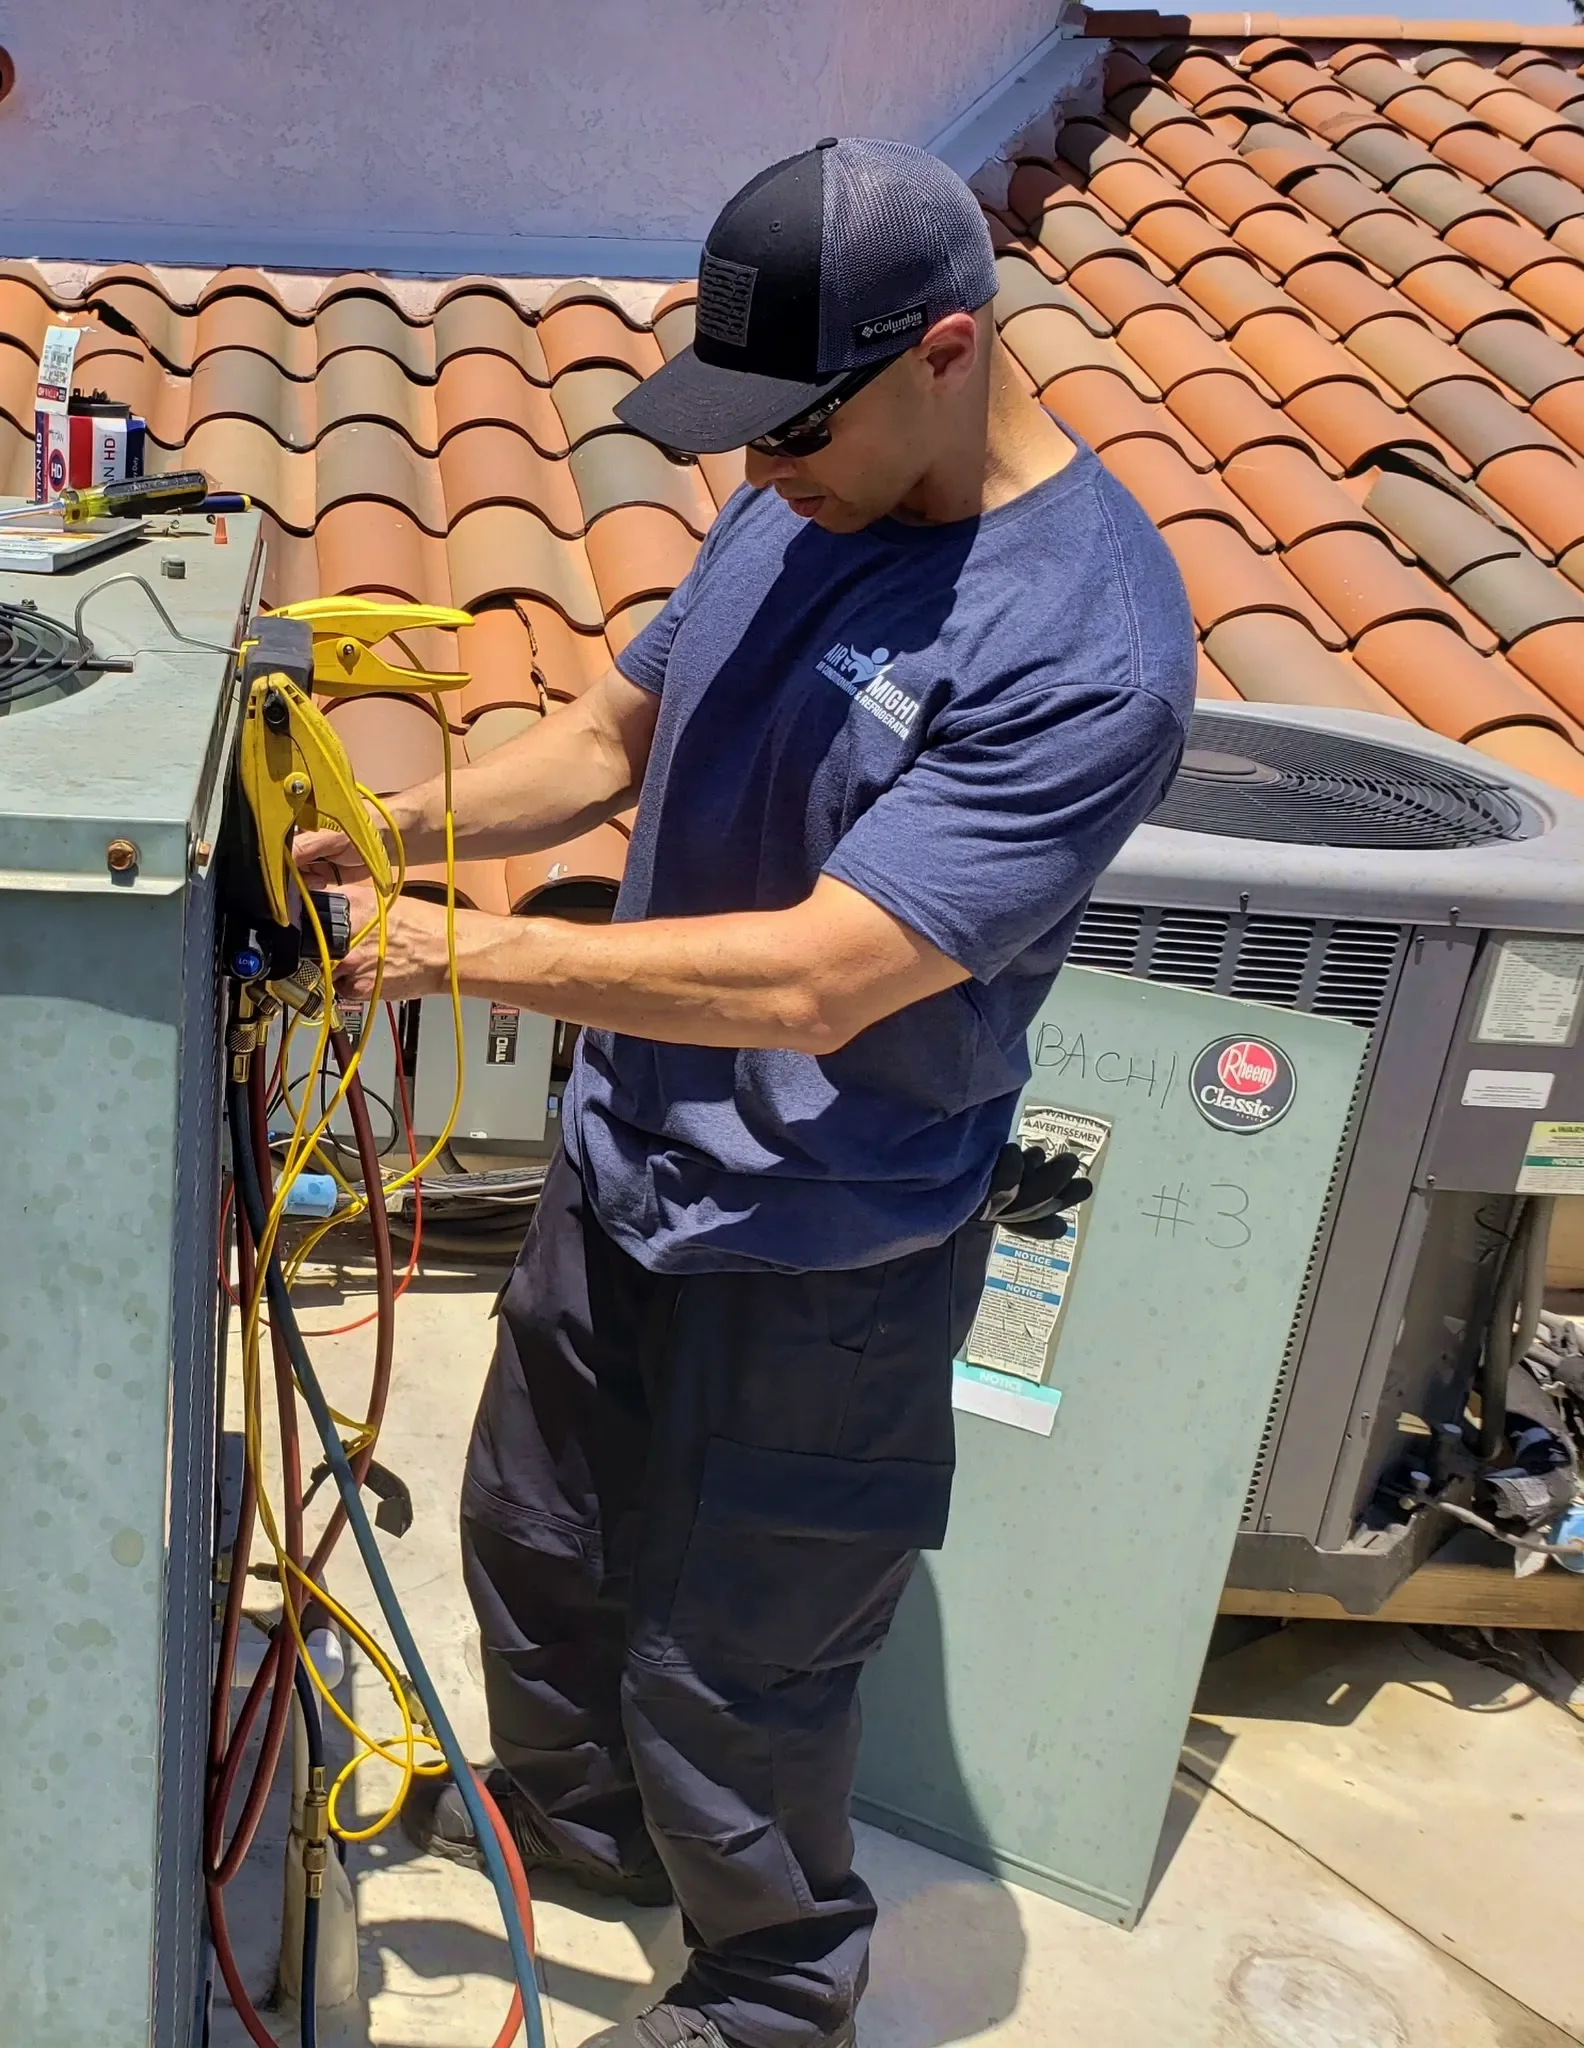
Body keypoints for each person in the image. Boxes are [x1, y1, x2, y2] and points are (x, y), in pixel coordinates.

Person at [299, 138, 1197, 2048]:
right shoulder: (797, 494)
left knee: (741, 1666)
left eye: (790, 426)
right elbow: (603, 739)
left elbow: (821, 975)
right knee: (537, 1546)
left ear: (946, 351)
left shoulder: (1085, 645)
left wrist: (456, 948)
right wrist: (375, 831)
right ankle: (584, 1831)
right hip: (624, 1164)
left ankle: (775, 1993)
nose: (757, 468)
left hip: (825, 1244)